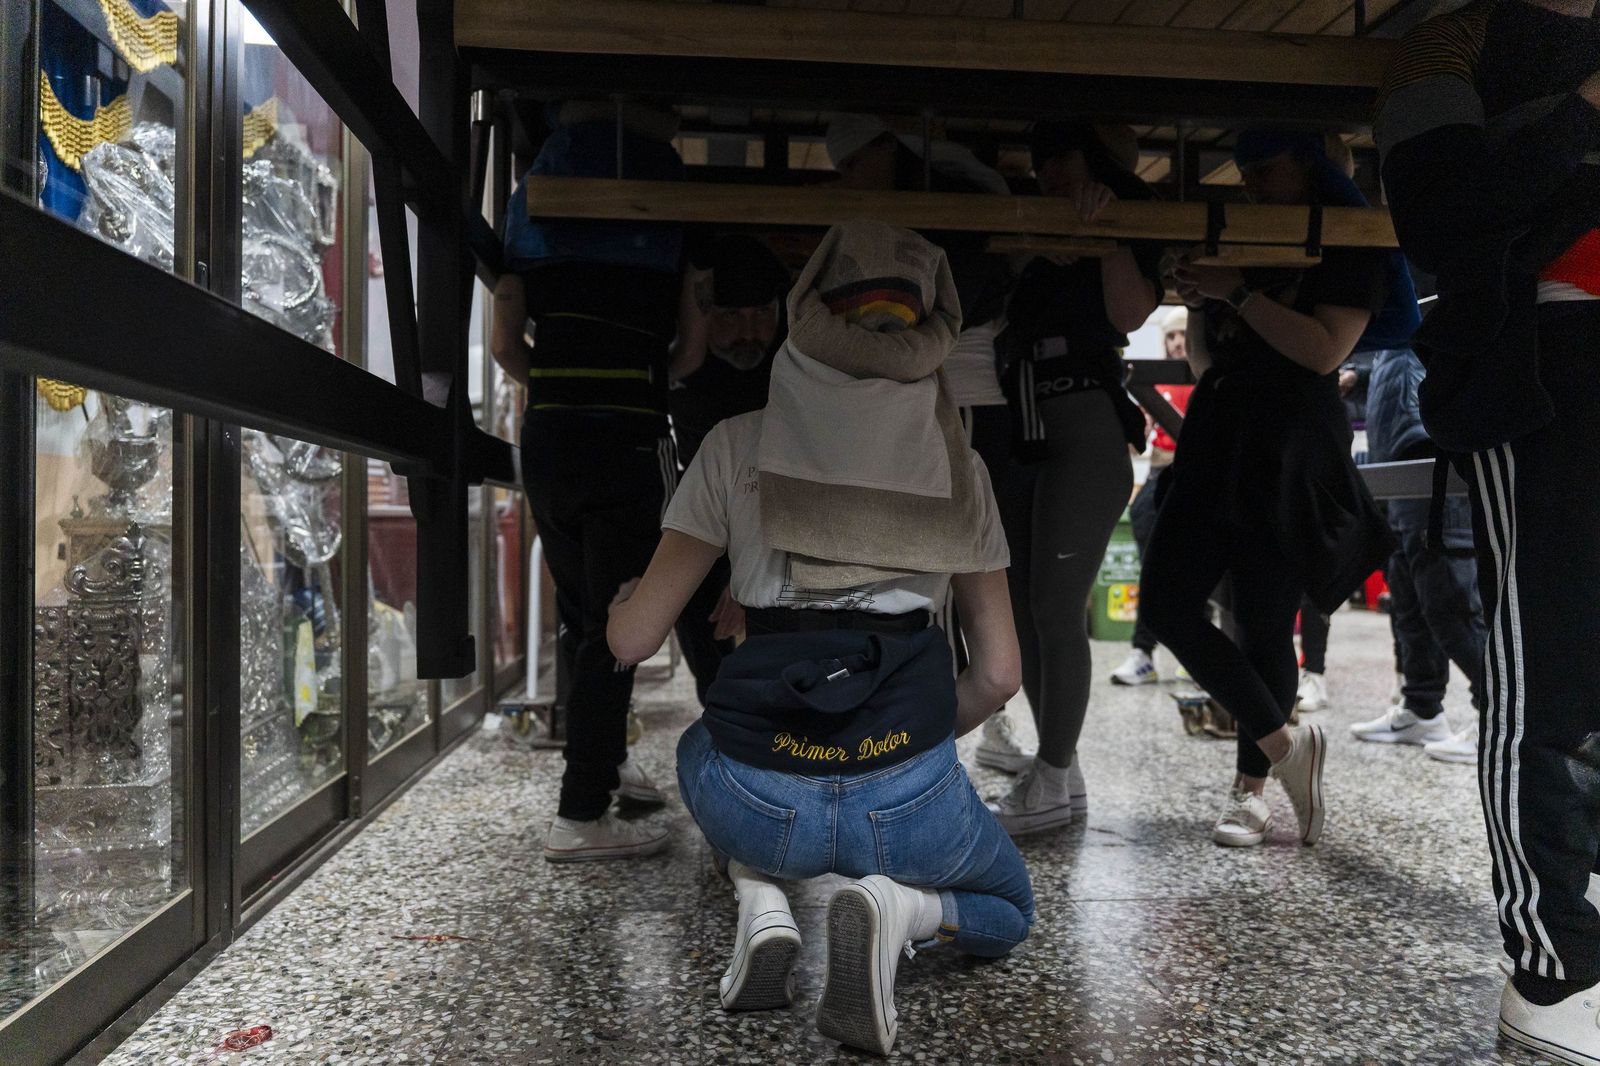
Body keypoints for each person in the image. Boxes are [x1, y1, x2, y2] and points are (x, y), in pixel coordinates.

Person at [608, 221, 1032, 1058]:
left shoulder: (734, 445)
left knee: (707, 745)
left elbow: (632, 641)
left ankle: (763, 901)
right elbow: (1000, 675)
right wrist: (901, 754)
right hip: (908, 805)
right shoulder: (963, 470)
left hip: (761, 803)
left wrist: (631, 596)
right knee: (1009, 909)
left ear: (805, 315)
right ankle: (905, 911)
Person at [1378, 4, 1600, 1059]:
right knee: (1546, 675)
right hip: (1548, 360)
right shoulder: (1452, 36)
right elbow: (1435, 213)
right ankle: (1553, 964)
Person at [1141, 128, 1405, 850]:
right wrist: (1202, 300)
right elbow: (1203, 362)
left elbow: (1324, 351)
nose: (1252, 180)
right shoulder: (1248, 239)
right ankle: (1289, 752)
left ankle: (1250, 793)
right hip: (1217, 436)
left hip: (1289, 447)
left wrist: (1241, 290)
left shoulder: (1350, 239)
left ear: (1315, 161)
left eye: (1267, 164)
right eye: (1246, 168)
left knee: (1262, 621)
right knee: (1167, 600)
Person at [489, 100, 683, 862]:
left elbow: (506, 341)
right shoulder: (667, 187)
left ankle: (605, 764)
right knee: (620, 621)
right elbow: (691, 348)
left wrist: (563, 380)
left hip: (552, 437)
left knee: (582, 618)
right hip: (627, 437)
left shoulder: (536, 191)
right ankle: (581, 812)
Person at [822, 115, 1033, 777]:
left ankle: (920, 743)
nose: (847, 181)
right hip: (937, 408)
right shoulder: (936, 199)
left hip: (958, 404)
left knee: (939, 579)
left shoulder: (944, 203)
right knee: (935, 581)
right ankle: (930, 739)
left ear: (883, 146)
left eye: (854, 164)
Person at [985, 122, 1163, 835]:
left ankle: (1054, 775)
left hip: (1084, 420)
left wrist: (1108, 231)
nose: (1048, 169)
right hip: (1018, 423)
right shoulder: (1023, 222)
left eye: (1059, 153)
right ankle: (1060, 769)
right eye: (1040, 158)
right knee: (1024, 611)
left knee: (1057, 607)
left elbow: (1130, 313)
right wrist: (1032, 241)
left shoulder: (1132, 215)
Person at [668, 233, 792, 705]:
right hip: (702, 517)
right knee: (700, 620)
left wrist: (750, 571)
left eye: (762, 314)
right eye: (731, 316)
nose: (749, 331)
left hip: (781, 518)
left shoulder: (790, 367)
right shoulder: (684, 364)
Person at [1349, 346, 1487, 760]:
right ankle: (1422, 707)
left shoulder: (1424, 296)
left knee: (1450, 601)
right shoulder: (1391, 339)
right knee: (1408, 595)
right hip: (1403, 455)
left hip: (1432, 453)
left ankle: (1501, 719)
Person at [1113, 305, 1194, 687]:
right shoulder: (1154, 382)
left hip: (1199, 477)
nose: (1177, 343)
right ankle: (1143, 653)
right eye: (1171, 337)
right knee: (1151, 562)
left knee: (1199, 565)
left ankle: (1195, 654)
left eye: (1182, 335)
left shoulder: (1204, 379)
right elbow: (1140, 445)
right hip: (1161, 473)